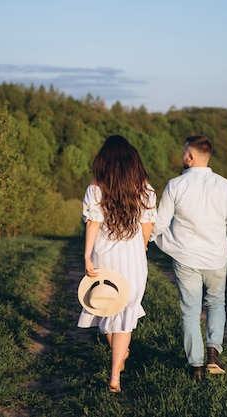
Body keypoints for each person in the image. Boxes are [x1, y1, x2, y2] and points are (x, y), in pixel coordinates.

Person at [151, 135, 227, 381]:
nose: (182, 156)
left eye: (184, 152)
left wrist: (141, 241)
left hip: (186, 258)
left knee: (190, 310)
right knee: (216, 303)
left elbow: (159, 224)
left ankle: (195, 366)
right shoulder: (225, 185)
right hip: (216, 258)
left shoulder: (175, 185)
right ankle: (213, 352)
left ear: (191, 156)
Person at [77, 135, 157, 392]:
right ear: (133, 161)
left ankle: (118, 356)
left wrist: (87, 255)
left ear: (105, 161)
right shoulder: (146, 190)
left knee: (106, 306)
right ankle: (115, 376)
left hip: (105, 257)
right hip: (133, 258)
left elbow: (93, 223)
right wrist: (142, 246)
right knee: (125, 314)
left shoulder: (96, 189)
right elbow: (147, 227)